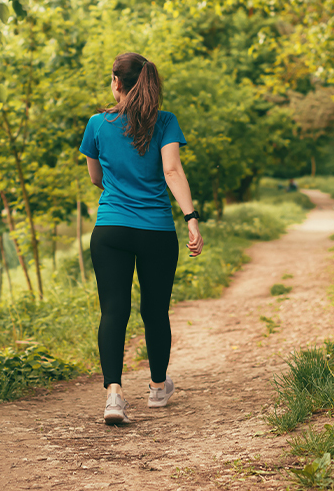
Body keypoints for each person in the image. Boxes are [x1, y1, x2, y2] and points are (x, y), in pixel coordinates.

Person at [79, 52, 204, 425]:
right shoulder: (165, 122)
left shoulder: (97, 124)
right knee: (154, 310)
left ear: (116, 82)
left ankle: (114, 395)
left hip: (111, 230)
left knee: (114, 310)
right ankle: (156, 387)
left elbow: (96, 178)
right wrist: (191, 218)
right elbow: (171, 170)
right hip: (156, 232)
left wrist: (121, 185)